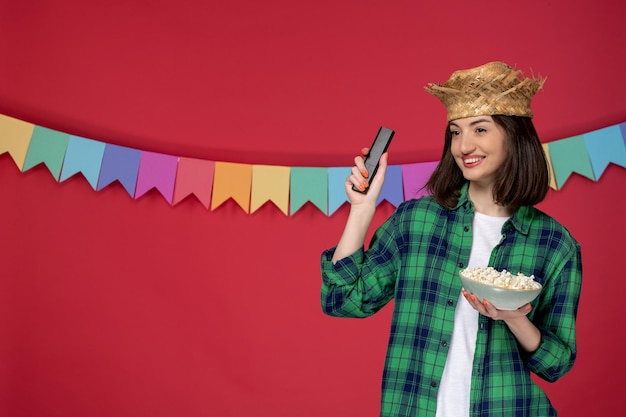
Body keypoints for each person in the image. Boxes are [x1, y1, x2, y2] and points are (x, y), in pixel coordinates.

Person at [320, 61, 582, 417]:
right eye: (455, 132)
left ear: (514, 136)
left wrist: (514, 317)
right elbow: (343, 300)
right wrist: (362, 209)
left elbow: (557, 363)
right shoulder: (418, 221)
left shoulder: (554, 244)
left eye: (479, 129)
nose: (464, 145)